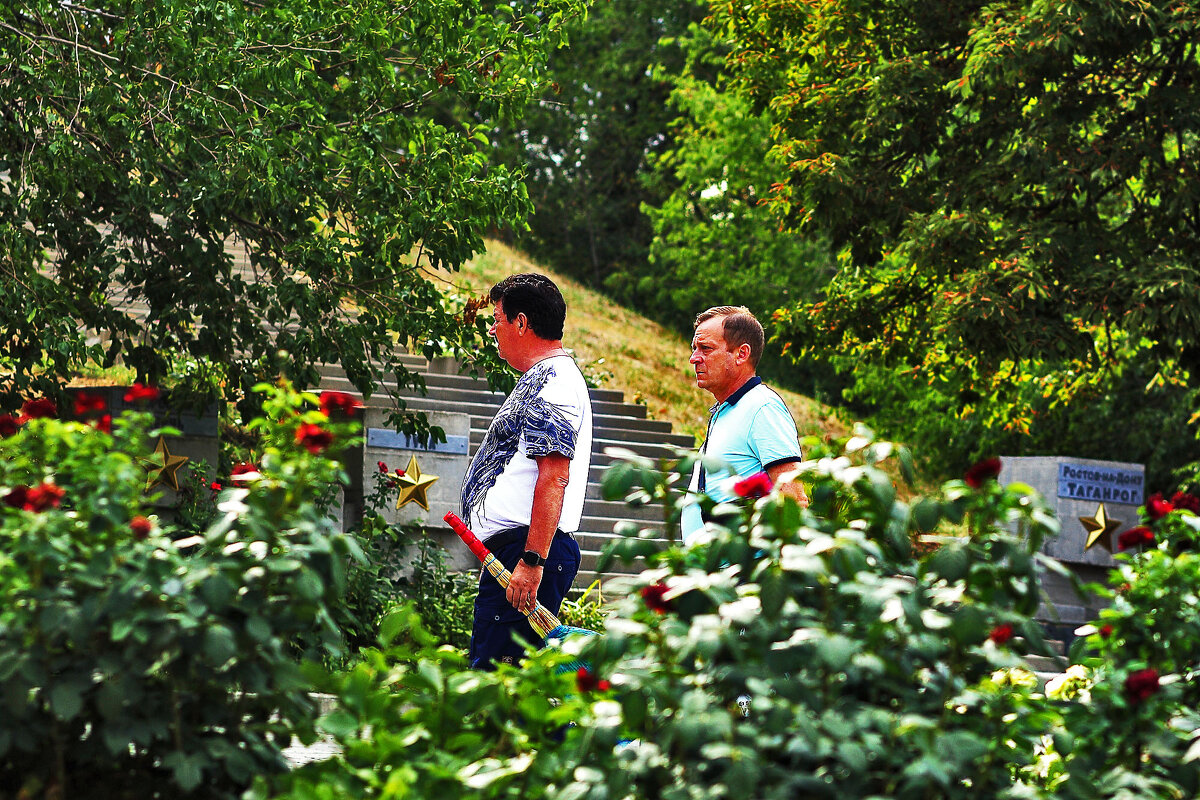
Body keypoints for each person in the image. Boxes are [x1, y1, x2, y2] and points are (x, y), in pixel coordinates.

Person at [460, 273, 593, 669]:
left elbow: (554, 474)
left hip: (528, 551)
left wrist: (532, 561)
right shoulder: (544, 377)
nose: (492, 327)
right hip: (520, 549)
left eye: (497, 318)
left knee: (498, 687)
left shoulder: (554, 380)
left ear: (520, 323)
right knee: (508, 687)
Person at [681, 305, 808, 544]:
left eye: (705, 348)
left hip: (742, 576)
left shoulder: (763, 407)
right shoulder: (729, 409)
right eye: (694, 348)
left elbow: (794, 500)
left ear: (741, 354)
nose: (694, 358)